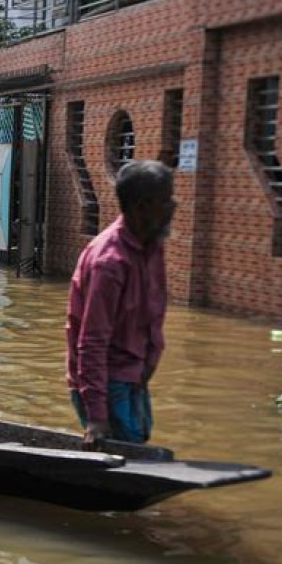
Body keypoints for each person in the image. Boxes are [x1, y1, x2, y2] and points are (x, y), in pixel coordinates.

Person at [68, 160, 175, 449]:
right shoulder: (110, 263)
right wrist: (97, 417)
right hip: (107, 379)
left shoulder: (152, 246)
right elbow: (91, 342)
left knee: (139, 440)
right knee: (126, 450)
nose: (173, 207)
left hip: (134, 374)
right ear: (141, 207)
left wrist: (146, 367)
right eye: (165, 201)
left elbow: (154, 316)